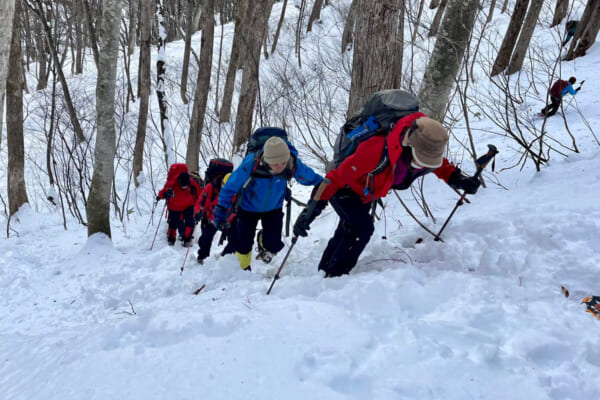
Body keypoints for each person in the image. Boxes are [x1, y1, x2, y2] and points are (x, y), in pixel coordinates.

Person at [293, 113, 481, 278]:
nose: (422, 166)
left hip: (366, 193)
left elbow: (441, 165)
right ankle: (335, 276)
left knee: (349, 227)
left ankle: (325, 271)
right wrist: (312, 209)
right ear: (408, 146)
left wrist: (458, 179)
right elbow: (334, 179)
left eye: (427, 163)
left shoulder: (427, 149)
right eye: (419, 161)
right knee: (361, 228)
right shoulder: (375, 150)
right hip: (344, 188)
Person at [214, 136, 323, 271]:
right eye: (276, 164)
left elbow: (315, 179)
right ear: (266, 160)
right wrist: (221, 208)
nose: (280, 167)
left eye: (283, 162)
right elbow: (230, 187)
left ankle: (263, 241)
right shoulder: (251, 163)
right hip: (248, 208)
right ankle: (242, 272)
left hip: (274, 208)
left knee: (273, 245)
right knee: (243, 244)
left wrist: (325, 185)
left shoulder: (292, 164)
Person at [194, 173, 235, 264]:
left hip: (229, 221)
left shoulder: (238, 193)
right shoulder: (211, 188)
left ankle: (225, 258)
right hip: (212, 219)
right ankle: (202, 257)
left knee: (235, 240)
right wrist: (197, 212)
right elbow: (201, 202)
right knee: (205, 239)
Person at [156, 170, 201, 247]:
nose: (185, 187)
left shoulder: (193, 184)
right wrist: (162, 195)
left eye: (186, 186)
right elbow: (162, 192)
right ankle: (171, 239)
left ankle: (187, 239)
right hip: (174, 207)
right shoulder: (172, 183)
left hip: (189, 206)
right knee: (173, 223)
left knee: (190, 222)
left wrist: (198, 211)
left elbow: (200, 196)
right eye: (183, 186)